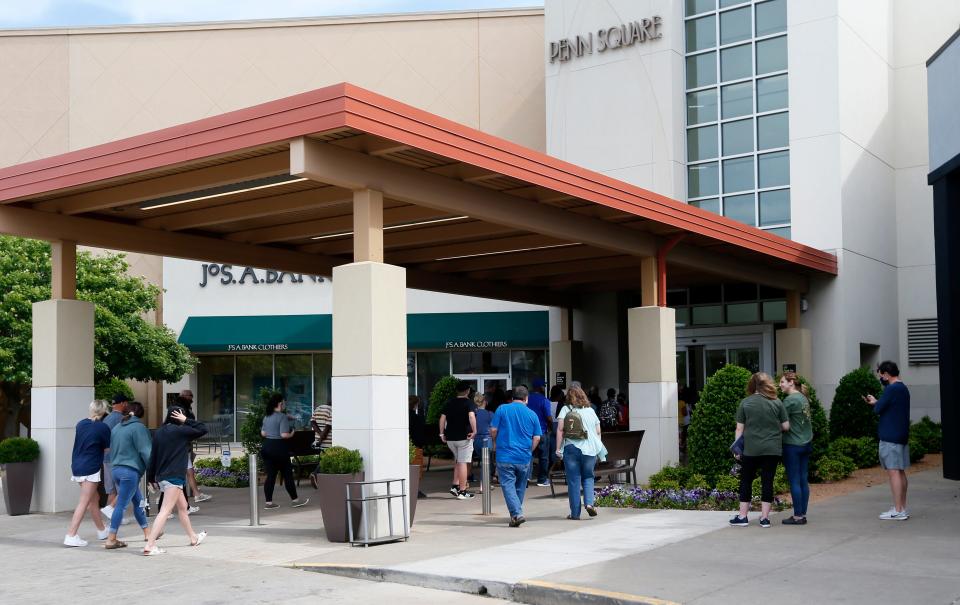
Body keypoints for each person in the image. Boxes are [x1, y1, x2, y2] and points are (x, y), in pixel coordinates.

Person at [144, 407, 208, 555]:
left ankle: (193, 537)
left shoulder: (159, 432)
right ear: (180, 417)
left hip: (162, 475)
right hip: (174, 476)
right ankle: (150, 544)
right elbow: (203, 428)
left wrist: (151, 477)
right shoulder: (181, 431)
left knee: (183, 507)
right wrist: (186, 420)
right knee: (165, 510)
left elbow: (153, 455)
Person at [729, 372, 789, 529]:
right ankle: (764, 519)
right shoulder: (777, 402)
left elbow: (739, 428)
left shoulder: (745, 403)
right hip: (772, 449)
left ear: (752, 385)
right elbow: (786, 426)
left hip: (751, 449)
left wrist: (736, 449)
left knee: (746, 480)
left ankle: (742, 517)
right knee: (767, 481)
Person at [865, 360, 911, 520]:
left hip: (890, 436)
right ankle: (902, 507)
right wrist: (878, 402)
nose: (881, 379)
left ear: (886, 374)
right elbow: (889, 406)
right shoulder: (903, 388)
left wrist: (874, 403)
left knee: (893, 473)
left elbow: (878, 409)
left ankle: (898, 510)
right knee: (900, 471)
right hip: (901, 435)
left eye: (881, 375)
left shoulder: (891, 389)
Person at [490, 385, 542, 527]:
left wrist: (495, 442)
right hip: (524, 457)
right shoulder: (532, 414)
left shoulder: (502, 409)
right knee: (520, 486)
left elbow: (493, 430)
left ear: (512, 398)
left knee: (507, 485)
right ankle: (516, 513)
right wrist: (529, 451)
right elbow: (537, 438)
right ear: (526, 399)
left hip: (505, 455)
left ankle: (516, 514)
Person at [64, 400, 113, 547]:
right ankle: (71, 535)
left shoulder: (80, 424)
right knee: (85, 501)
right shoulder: (104, 428)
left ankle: (102, 530)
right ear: (104, 411)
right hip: (91, 467)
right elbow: (106, 449)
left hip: (77, 465)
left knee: (94, 498)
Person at [104, 401, 152, 549]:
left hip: (116, 469)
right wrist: (153, 471)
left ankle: (147, 533)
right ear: (140, 414)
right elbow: (146, 452)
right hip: (130, 471)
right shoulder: (139, 428)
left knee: (138, 501)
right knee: (121, 506)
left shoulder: (117, 428)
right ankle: (111, 538)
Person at [556, 386, 606, 520]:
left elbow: (560, 430)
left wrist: (558, 449)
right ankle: (589, 504)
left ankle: (575, 513)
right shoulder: (591, 410)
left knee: (574, 481)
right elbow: (598, 432)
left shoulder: (565, 409)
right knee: (588, 477)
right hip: (590, 450)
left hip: (571, 448)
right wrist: (597, 448)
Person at [261, 394, 309, 509]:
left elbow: (263, 433)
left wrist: (285, 418)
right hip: (279, 448)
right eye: (284, 402)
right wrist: (292, 433)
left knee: (271, 476)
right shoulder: (281, 417)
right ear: (280, 404)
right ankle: (295, 500)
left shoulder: (267, 416)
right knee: (287, 474)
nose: (285, 404)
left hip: (267, 447)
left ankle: (269, 503)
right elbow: (284, 435)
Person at [779, 372, 813, 525]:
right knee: (803, 479)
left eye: (782, 382)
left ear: (791, 382)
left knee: (794, 480)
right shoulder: (803, 398)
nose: (780, 385)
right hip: (806, 443)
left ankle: (798, 516)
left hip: (792, 444)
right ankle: (803, 513)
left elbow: (783, 424)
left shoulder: (789, 400)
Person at [439, 381, 477, 499]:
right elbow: (471, 416)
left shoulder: (449, 402)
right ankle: (462, 491)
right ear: (468, 391)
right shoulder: (469, 403)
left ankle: (455, 486)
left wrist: (441, 434)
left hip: (450, 438)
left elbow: (442, 418)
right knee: (463, 463)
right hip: (464, 437)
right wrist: (475, 431)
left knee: (458, 461)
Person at [99, 393, 129, 524]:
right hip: (118, 458)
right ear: (123, 403)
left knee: (111, 489)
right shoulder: (122, 419)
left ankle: (112, 516)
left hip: (105, 458)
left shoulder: (106, 419)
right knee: (122, 489)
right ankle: (117, 516)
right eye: (126, 403)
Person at [179, 390, 212, 504]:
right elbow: (194, 426)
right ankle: (192, 495)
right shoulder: (181, 410)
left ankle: (195, 493)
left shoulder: (186, 409)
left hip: (185, 443)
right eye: (190, 396)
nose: (192, 398)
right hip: (181, 445)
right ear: (184, 397)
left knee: (189, 470)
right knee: (186, 470)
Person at [526, 378, 554, 486]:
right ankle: (542, 479)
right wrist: (551, 428)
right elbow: (549, 417)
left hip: (529, 432)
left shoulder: (527, 399)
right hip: (542, 431)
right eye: (543, 386)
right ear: (540, 387)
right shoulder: (544, 400)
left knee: (529, 455)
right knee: (543, 457)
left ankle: (527, 478)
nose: (544, 388)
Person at [469, 392, 494, 487]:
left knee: (483, 461)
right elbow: (494, 429)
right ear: (485, 402)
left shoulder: (473, 414)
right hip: (487, 440)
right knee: (486, 463)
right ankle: (483, 485)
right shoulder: (490, 414)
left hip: (475, 441)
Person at [408, 395, 427, 499]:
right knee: (416, 469)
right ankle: (415, 490)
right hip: (416, 446)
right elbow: (420, 432)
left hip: (406, 445)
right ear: (416, 405)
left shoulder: (402, 417)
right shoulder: (416, 418)